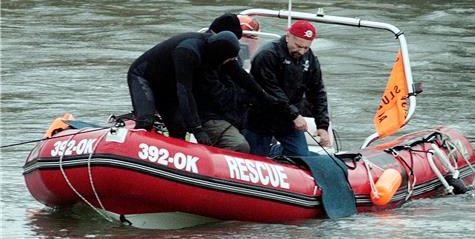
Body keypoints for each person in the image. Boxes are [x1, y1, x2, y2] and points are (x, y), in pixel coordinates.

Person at [127, 29, 241, 143]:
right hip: (143, 77)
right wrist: (197, 130)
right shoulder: (188, 51)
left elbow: (242, 78)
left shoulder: (212, 51)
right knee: (145, 122)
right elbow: (185, 92)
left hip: (167, 86)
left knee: (179, 129)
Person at [245, 20, 331, 157]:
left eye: (306, 48)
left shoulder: (310, 58)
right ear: (288, 36)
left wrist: (322, 126)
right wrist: (294, 115)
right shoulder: (267, 54)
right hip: (260, 116)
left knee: (300, 155)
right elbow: (271, 90)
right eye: (298, 46)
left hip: (287, 119)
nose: (301, 51)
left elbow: (317, 91)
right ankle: (267, 150)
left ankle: (276, 153)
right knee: (256, 157)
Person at [195, 13, 273, 153]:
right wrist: (248, 96)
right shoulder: (209, 60)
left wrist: (262, 96)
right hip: (213, 113)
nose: (243, 45)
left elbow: (243, 80)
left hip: (234, 112)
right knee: (240, 144)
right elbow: (219, 94)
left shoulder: (237, 62)